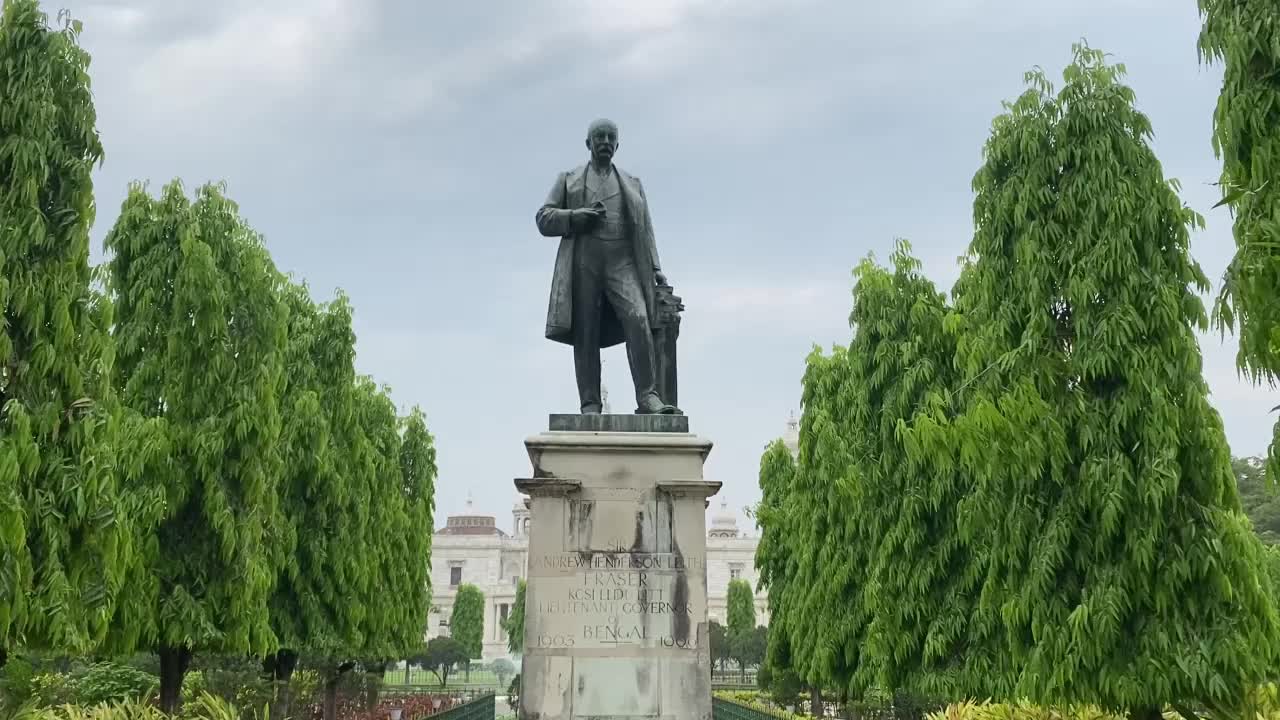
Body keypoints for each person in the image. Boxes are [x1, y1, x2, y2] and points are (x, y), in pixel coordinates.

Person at [535, 118, 680, 415]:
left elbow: (645, 229)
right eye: (598, 136)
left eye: (610, 137)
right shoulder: (569, 179)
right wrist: (576, 216)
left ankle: (648, 397)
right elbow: (544, 218)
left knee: (638, 318)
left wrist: (654, 268)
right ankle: (590, 402)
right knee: (585, 331)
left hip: (622, 262)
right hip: (585, 262)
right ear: (588, 143)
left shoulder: (632, 184)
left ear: (617, 144)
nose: (604, 141)